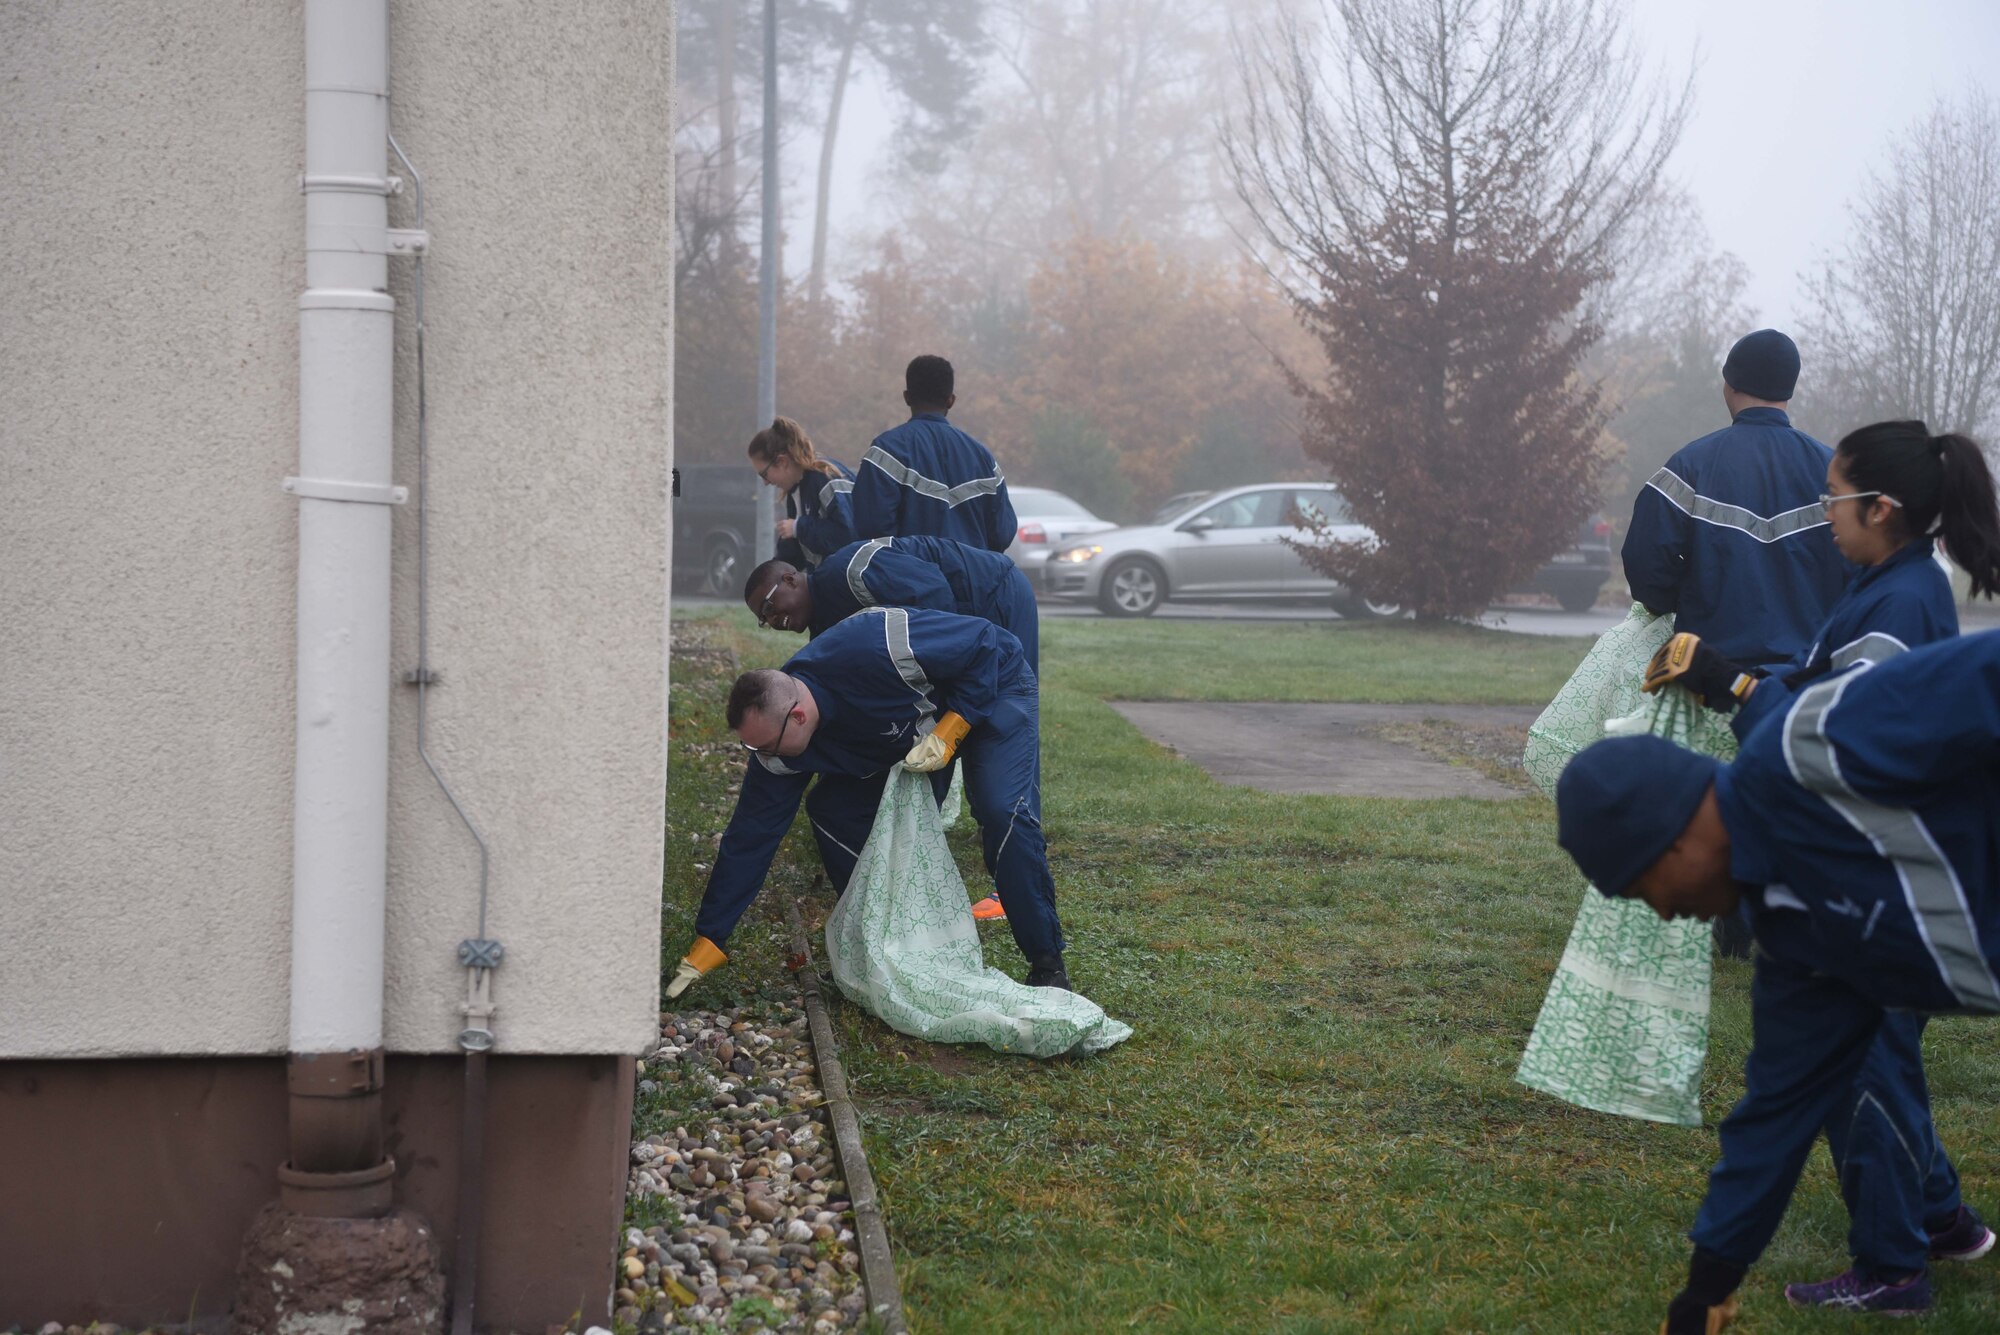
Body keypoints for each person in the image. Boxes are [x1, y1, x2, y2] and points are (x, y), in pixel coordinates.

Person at [1640, 421, 2000, 1315]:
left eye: (1832, 498)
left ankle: (1893, 1267)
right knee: (1882, 1065)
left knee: (1865, 1072)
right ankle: (1944, 1220)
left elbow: (1837, 747)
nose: (1822, 514)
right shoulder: (1882, 583)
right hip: (1873, 883)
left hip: (1876, 888)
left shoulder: (1903, 603)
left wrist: (1737, 686)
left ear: (1882, 508)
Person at [1555, 633, 2000, 1331]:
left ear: (1672, 837)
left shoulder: (1817, 742)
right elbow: (1774, 1117)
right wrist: (1705, 1289)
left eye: (1644, 890)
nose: (1667, 912)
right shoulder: (1797, 939)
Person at [666, 605, 1071, 998]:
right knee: (832, 811)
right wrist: (711, 936)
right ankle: (886, 946)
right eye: (752, 747)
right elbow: (751, 837)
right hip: (915, 736)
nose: (763, 756)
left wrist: (953, 726)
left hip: (993, 687)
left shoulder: (875, 647)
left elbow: (985, 644)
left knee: (1002, 812)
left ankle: (1047, 964)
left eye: (766, 745)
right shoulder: (777, 745)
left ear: (800, 717)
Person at [1622, 328, 1852, 958]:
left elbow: (1646, 568)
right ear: (1791, 388)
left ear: (1728, 383)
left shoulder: (1691, 465)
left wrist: (1677, 600)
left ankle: (1729, 925)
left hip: (1711, 674)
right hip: (1806, 681)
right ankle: (1789, 923)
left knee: (1718, 805)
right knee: (1796, 805)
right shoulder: (1835, 475)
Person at [741, 535, 1040, 673]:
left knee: (1008, 714)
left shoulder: (850, 571)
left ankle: (1021, 803)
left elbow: (934, 593)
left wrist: (949, 672)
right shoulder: (823, 628)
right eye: (762, 620)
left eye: (768, 607)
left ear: (790, 579)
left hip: (994, 591)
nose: (771, 620)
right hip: (972, 613)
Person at [849, 355, 1018, 553]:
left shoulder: (885, 452)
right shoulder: (982, 457)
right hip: (975, 581)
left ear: (907, 397)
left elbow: (871, 528)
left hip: (910, 580)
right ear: (951, 400)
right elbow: (1002, 533)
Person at [748, 417, 854, 569]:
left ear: (782, 462)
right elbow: (794, 552)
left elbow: (849, 537)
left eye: (764, 474)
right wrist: (771, 574)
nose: (765, 483)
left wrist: (799, 527)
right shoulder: (796, 489)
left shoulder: (827, 480)